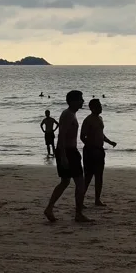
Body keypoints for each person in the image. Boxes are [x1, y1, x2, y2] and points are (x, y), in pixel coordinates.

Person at [44, 90, 90, 224]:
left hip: (69, 151)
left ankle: (49, 208)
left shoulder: (71, 114)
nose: (82, 101)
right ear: (73, 101)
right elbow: (61, 135)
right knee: (80, 183)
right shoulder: (68, 115)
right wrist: (63, 156)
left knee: (65, 182)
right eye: (80, 99)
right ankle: (78, 214)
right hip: (68, 152)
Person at [80, 99, 117, 207]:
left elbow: (101, 134)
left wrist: (109, 142)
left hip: (99, 150)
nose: (101, 108)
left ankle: (97, 199)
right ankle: (80, 200)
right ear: (92, 108)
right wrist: (91, 147)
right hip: (90, 151)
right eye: (98, 106)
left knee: (99, 176)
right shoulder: (88, 120)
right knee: (88, 177)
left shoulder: (100, 118)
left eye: (100, 105)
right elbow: (82, 136)